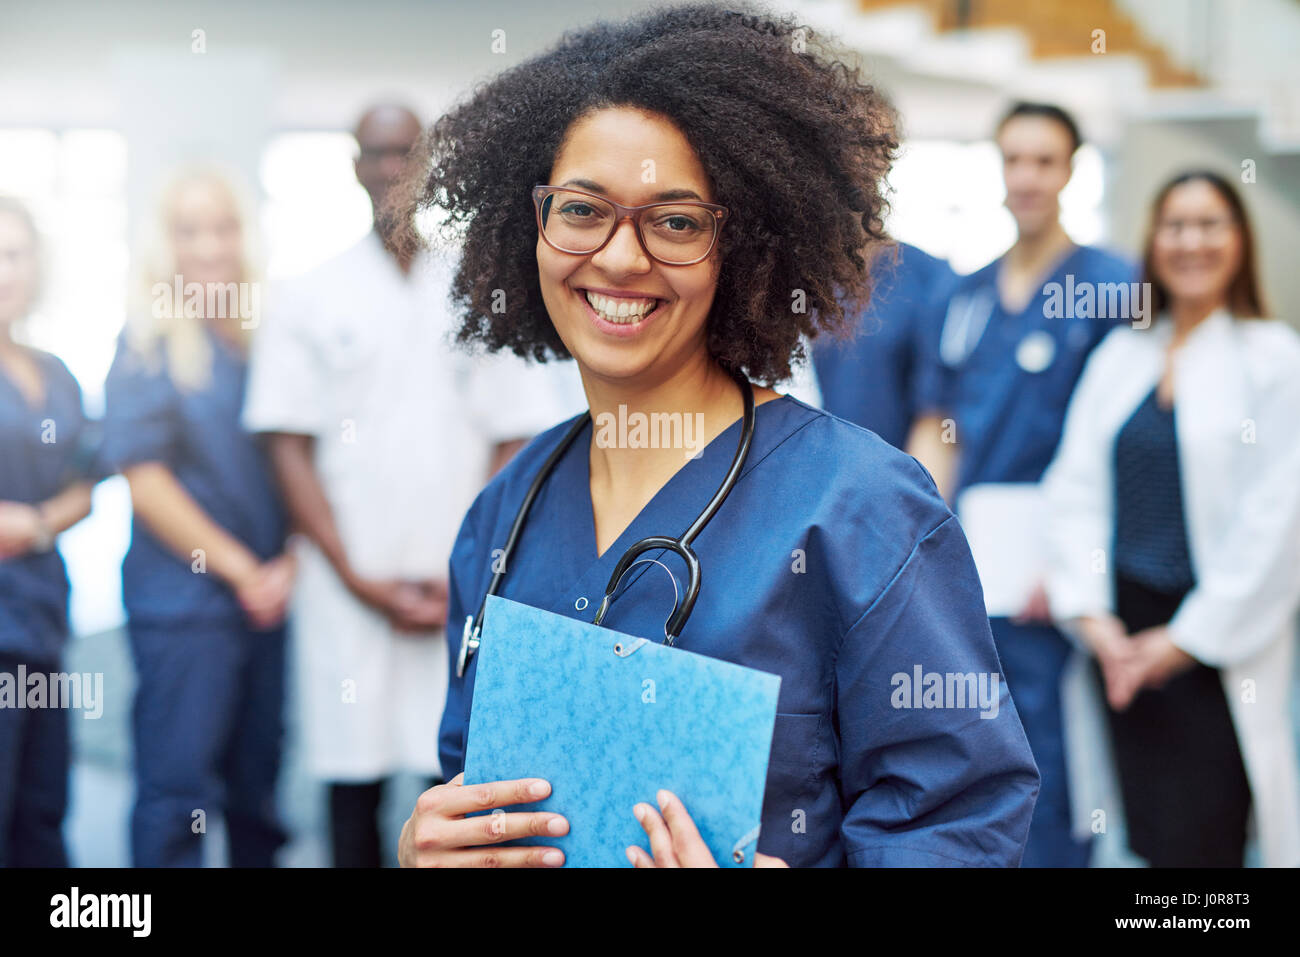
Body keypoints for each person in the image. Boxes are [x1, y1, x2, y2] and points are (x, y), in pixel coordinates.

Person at [394, 4, 1039, 869]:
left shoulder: (859, 508)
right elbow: (471, 782)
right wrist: (434, 842)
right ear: (531, 226)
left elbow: (963, 830)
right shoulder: (503, 517)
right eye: (583, 209)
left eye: (676, 221)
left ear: (746, 248)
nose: (621, 258)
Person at [242, 104, 575, 868]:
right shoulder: (308, 294)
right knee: (350, 781)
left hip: (457, 587)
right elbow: (286, 444)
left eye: (405, 152)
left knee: (455, 778)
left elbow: (514, 432)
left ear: (426, 164)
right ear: (353, 165)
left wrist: (464, 567)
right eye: (376, 152)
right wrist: (359, 577)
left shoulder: (478, 286)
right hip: (346, 584)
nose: (390, 167)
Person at [1042, 170, 1300, 867]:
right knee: (1144, 838)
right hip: (1121, 637)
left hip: (1214, 644)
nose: (1192, 241)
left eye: (1211, 223)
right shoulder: (1122, 355)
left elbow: (1278, 520)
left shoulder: (1274, 359)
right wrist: (1095, 619)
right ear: (1152, 242)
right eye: (1175, 225)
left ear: (1241, 239)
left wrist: (1182, 642)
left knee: (1208, 843)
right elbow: (1075, 486)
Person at [908, 102, 1137, 867]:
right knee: (974, 731)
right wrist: (924, 535)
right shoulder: (963, 296)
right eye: (1013, 159)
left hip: (1061, 552)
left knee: (1054, 739)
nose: (1027, 177)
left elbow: (1125, 441)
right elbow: (941, 422)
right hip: (976, 548)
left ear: (1071, 169)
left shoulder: (1111, 287)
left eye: (1045, 161)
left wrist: (1075, 566)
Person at [102, 168, 294, 868]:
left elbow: (300, 462)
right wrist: (247, 572)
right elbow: (146, 483)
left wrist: (290, 565)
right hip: (185, 605)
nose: (210, 246)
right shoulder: (147, 345)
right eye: (190, 230)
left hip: (269, 602)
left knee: (259, 792)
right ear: (165, 246)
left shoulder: (265, 339)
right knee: (178, 790)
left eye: (224, 226)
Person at [0, 197, 99, 867]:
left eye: (15, 253)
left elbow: (88, 485)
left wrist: (32, 523)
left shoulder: (55, 371)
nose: (5, 270)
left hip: (40, 615)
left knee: (41, 809)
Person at [812, 241, 956, 449]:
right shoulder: (812, 279)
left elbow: (937, 412)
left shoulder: (928, 277)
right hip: (833, 458)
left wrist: (914, 479)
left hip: (903, 466)